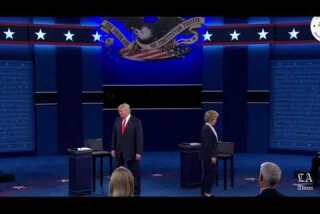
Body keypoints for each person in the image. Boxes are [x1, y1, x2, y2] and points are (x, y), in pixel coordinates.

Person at [111, 103, 143, 196]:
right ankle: (118, 191)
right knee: (118, 173)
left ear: (127, 110)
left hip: (132, 152)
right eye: (119, 111)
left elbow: (139, 138)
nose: (119, 113)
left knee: (134, 173)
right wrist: (113, 148)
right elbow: (114, 136)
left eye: (121, 111)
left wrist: (139, 152)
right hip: (119, 152)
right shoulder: (117, 120)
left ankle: (136, 192)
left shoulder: (136, 121)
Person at [200, 110, 219, 197]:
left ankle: (204, 191)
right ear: (212, 118)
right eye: (215, 118)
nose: (216, 120)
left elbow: (212, 142)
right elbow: (208, 145)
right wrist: (213, 156)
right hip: (209, 156)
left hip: (209, 155)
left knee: (208, 173)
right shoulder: (206, 129)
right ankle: (206, 193)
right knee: (209, 174)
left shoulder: (209, 127)